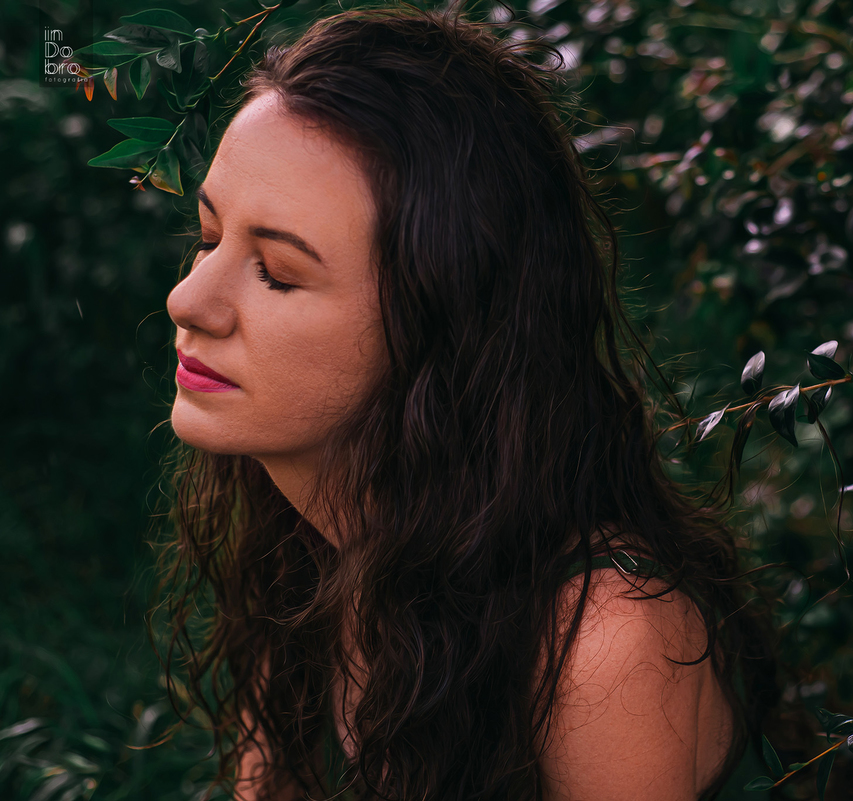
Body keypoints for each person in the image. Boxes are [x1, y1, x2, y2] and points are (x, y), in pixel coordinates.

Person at [160, 4, 777, 799]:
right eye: (210, 238)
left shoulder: (604, 640)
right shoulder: (308, 545)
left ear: (439, 324)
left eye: (277, 270)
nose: (188, 299)